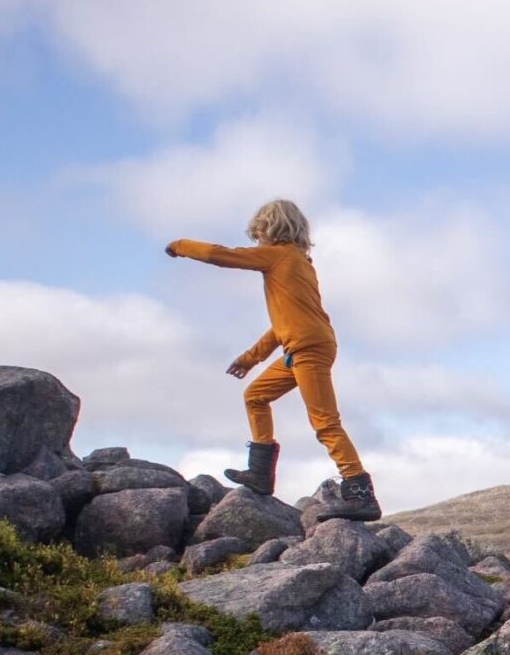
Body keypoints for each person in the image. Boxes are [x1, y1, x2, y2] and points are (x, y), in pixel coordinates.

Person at [163, 199, 381, 521]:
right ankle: (261, 475)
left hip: (308, 349)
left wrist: (180, 245)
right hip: (304, 346)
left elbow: (220, 255)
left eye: (260, 231)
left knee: (325, 422)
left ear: (274, 228)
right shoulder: (300, 263)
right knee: (255, 395)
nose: (257, 239)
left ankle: (360, 491)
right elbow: (285, 324)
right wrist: (251, 359)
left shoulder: (279, 255)